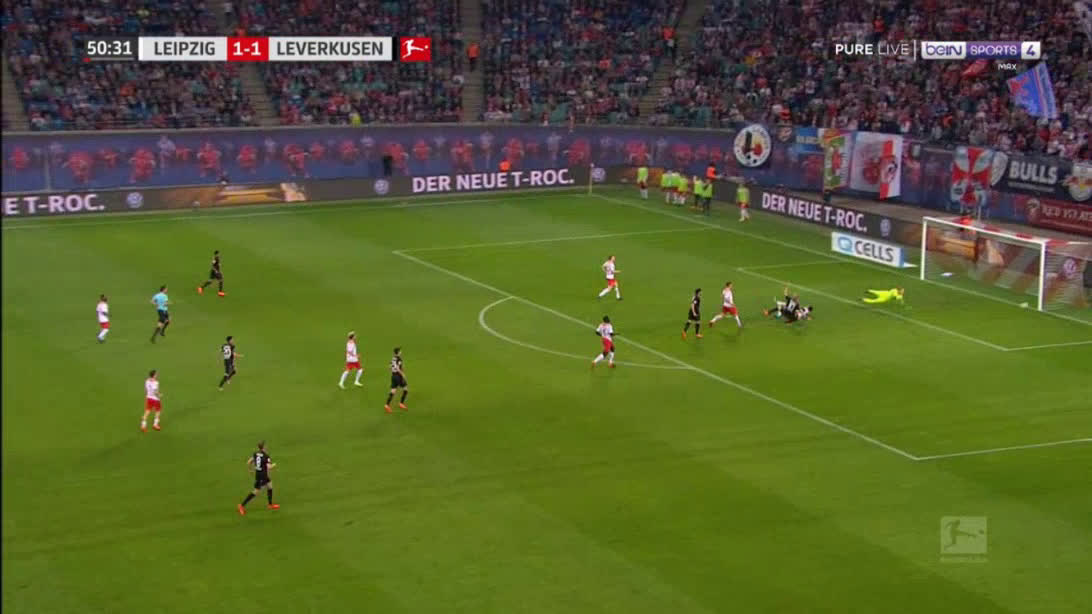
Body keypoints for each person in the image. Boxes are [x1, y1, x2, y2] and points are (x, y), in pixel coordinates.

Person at [238, 441, 279, 515]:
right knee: (256, 491)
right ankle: (241, 505)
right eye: (265, 446)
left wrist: (250, 470)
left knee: (270, 485)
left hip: (260, 474)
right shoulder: (266, 456)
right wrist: (274, 465)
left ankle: (270, 505)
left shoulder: (255, 454)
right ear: (264, 447)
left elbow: (249, 462)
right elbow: (269, 467)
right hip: (262, 476)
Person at [385, 347, 409, 413]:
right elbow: (398, 368)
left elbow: (389, 366)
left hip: (393, 376)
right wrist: (402, 374)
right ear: (398, 352)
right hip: (398, 376)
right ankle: (401, 403)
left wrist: (393, 372)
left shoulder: (393, 358)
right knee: (406, 389)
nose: (401, 352)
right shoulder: (399, 359)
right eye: (400, 351)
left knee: (393, 391)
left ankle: (387, 405)